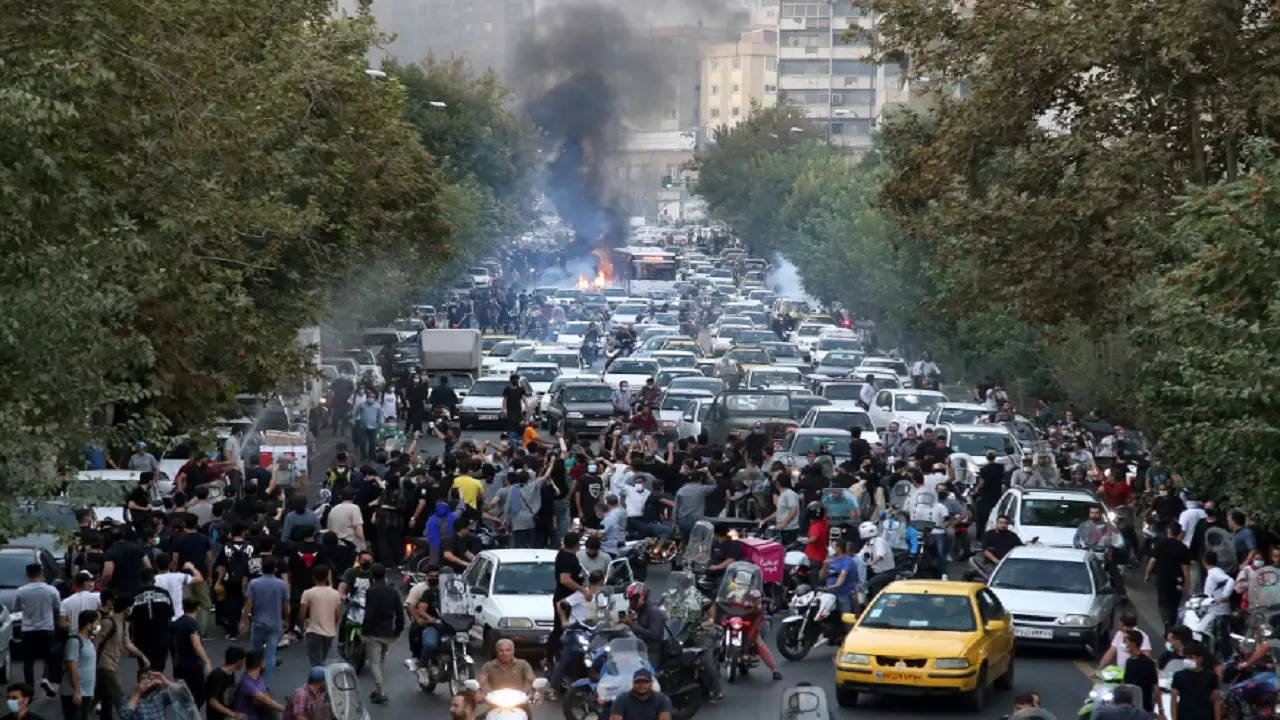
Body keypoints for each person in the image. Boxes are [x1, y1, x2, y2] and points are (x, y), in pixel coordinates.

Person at [93, 593, 149, 720]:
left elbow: (127, 643)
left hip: (113, 663)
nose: (132, 610)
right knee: (119, 695)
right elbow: (96, 643)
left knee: (103, 697)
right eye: (131, 607)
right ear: (126, 608)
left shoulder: (123, 623)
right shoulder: (108, 622)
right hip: (105, 665)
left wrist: (142, 655)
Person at [240, 557, 288, 690]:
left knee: (255, 651)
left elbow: (248, 604)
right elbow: (286, 605)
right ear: (275, 569)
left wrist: (244, 620)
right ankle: (265, 683)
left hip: (258, 622)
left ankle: (252, 678)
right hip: (275, 623)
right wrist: (287, 619)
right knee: (271, 653)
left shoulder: (254, 583)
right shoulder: (282, 584)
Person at [16, 563, 62, 695]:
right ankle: (46, 678)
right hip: (47, 628)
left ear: (27, 574)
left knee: (28, 660)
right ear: (41, 574)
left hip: (28, 630)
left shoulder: (21, 591)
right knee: (50, 656)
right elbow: (58, 607)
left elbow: (16, 608)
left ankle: (29, 689)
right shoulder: (51, 590)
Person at [361, 564, 403, 705]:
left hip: (375, 632)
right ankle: (378, 689)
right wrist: (398, 630)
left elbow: (369, 614)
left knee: (374, 663)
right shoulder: (393, 591)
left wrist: (364, 631)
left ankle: (382, 691)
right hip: (388, 632)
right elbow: (400, 613)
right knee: (381, 661)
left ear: (372, 575)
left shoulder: (371, 591)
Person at [1146, 522, 1192, 630]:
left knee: (1163, 602)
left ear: (1168, 531)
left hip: (1162, 579)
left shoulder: (1159, 544)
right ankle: (1171, 622)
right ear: (1179, 533)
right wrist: (1187, 584)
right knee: (1174, 603)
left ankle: (1166, 622)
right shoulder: (1183, 547)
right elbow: (1186, 568)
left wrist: (1147, 574)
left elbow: (1152, 560)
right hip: (1177, 581)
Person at [170, 598, 212, 708]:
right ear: (197, 608)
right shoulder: (192, 624)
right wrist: (206, 661)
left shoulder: (176, 623)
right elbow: (196, 645)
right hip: (193, 664)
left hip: (179, 663)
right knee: (199, 695)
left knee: (183, 694)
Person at [298, 566, 340, 667]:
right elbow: (337, 615)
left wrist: (302, 628)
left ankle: (319, 681)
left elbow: (302, 614)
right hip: (330, 633)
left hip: (313, 631)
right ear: (327, 577)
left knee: (316, 663)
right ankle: (322, 680)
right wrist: (332, 625)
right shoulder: (335, 594)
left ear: (313, 578)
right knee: (322, 660)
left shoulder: (308, 593)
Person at [61, 610, 98, 720]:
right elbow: (72, 666)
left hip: (86, 691)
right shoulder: (74, 641)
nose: (97, 626)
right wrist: (77, 691)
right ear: (88, 625)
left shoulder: (89, 641)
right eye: (96, 623)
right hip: (73, 692)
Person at [1170, 641, 1220, 720]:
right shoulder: (1178, 676)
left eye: (1191, 657)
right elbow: (1173, 700)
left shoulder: (1211, 677)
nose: (1187, 660)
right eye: (1186, 657)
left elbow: (1216, 700)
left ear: (1200, 658)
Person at [231, 652, 285, 720]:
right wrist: (284, 708)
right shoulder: (247, 682)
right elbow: (264, 699)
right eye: (264, 662)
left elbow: (266, 696)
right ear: (260, 664)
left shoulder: (258, 678)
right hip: (248, 716)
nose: (265, 664)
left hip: (259, 713)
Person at [1120, 630, 1162, 717]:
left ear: (1133, 643)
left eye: (1126, 641)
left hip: (1143, 709)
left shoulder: (1148, 663)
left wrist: (1161, 711)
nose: (1124, 643)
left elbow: (1155, 687)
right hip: (1129, 707)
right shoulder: (1129, 661)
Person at [608, 669, 672, 720]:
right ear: (632, 683)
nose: (641, 685)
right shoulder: (621, 699)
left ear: (651, 683)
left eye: (645, 682)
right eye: (637, 682)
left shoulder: (663, 700)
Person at [820, 539, 864, 614]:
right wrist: (825, 566)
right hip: (829, 594)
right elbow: (822, 577)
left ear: (839, 548)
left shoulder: (848, 560)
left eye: (832, 546)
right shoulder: (830, 559)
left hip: (843, 594)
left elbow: (843, 575)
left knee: (846, 617)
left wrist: (836, 585)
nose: (830, 548)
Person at [204, 647, 246, 720]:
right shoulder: (218, 676)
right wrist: (233, 714)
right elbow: (213, 702)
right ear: (239, 661)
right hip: (217, 717)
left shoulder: (230, 673)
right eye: (243, 660)